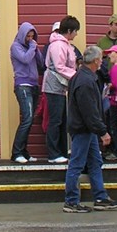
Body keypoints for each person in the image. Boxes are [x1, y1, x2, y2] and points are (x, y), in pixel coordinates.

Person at [62, 45, 117, 213]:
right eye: (101, 59)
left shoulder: (79, 77)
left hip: (84, 128)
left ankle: (100, 197)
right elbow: (90, 112)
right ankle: (71, 201)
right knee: (77, 164)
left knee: (94, 161)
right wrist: (102, 131)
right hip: (84, 129)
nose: (102, 62)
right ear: (95, 61)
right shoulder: (87, 82)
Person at [43, 15, 80, 163]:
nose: (77, 34)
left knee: (62, 119)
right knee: (55, 120)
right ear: (69, 31)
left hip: (61, 86)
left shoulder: (64, 44)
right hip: (54, 86)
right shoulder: (58, 45)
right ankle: (53, 154)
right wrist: (76, 76)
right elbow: (59, 67)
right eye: (76, 31)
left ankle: (62, 151)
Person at [9, 21, 45, 163]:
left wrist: (36, 50)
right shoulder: (15, 47)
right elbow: (25, 59)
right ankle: (16, 152)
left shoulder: (32, 47)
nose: (30, 39)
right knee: (27, 117)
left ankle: (24, 151)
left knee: (29, 120)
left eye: (32, 36)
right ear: (22, 35)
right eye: (28, 36)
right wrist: (31, 47)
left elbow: (41, 63)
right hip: (22, 85)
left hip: (34, 85)